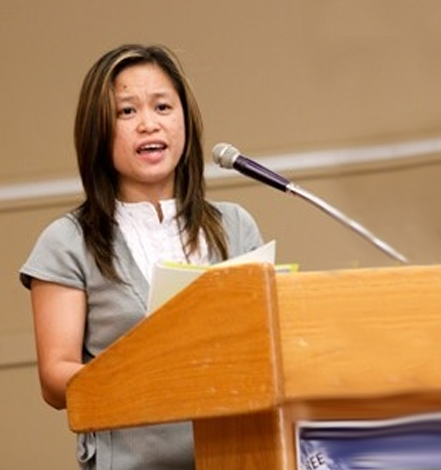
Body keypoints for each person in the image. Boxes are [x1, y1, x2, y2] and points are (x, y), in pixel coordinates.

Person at [19, 43, 263, 470]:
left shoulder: (235, 225)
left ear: (185, 120)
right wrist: (146, 375)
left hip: (240, 457)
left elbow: (265, 343)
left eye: (163, 107)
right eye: (126, 112)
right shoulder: (68, 241)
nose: (149, 124)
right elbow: (55, 381)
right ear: (98, 130)